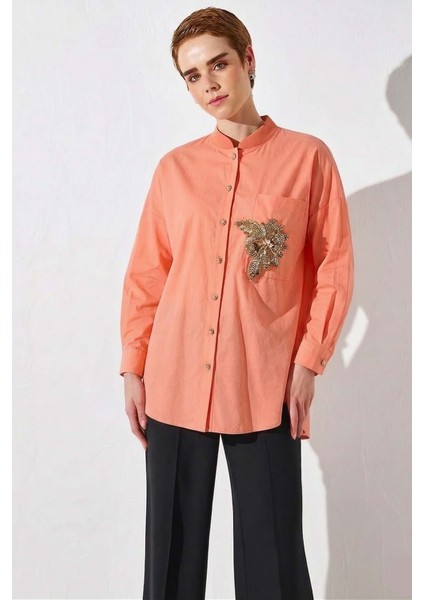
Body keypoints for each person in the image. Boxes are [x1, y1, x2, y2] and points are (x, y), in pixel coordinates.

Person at [119, 7, 354, 599]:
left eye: (218, 64)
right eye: (192, 76)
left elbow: (333, 268)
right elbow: (148, 276)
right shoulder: (174, 170)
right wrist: (133, 367)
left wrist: (308, 363)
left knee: (274, 560)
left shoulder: (308, 159)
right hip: (174, 383)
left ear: (248, 60)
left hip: (264, 387)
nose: (208, 84)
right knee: (170, 561)